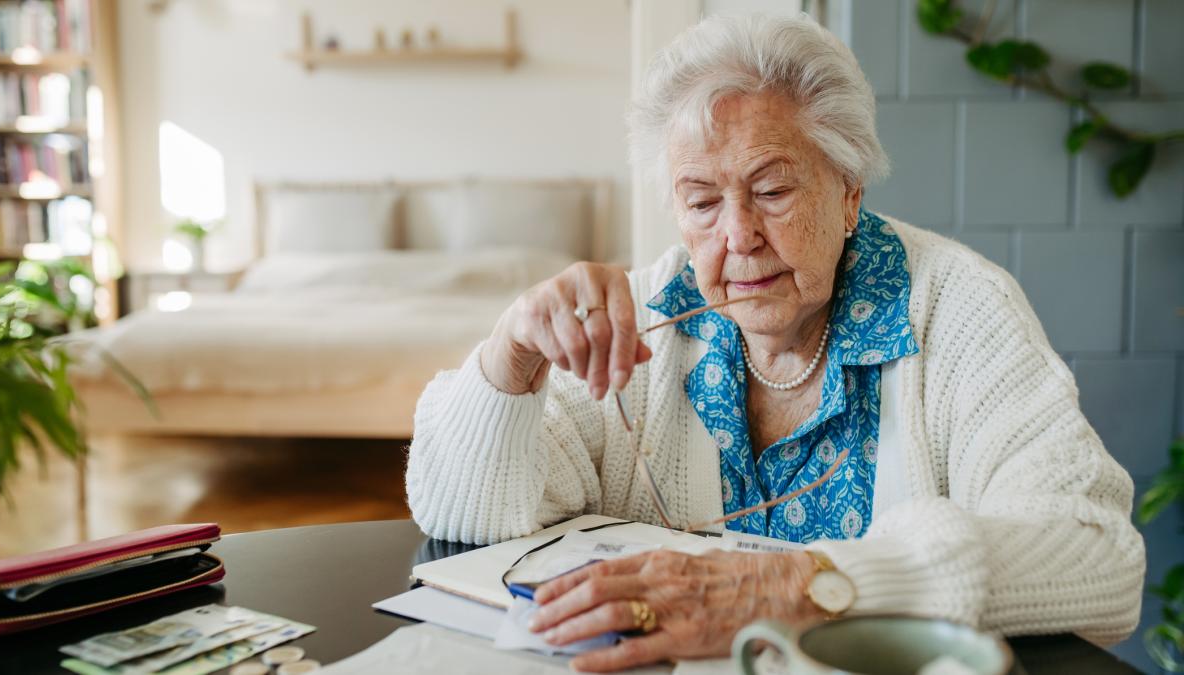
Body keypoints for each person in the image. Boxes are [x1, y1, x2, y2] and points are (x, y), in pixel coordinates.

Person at [406, 13, 1145, 673]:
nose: (737, 236)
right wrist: (510, 358)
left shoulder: (956, 308)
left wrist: (811, 584)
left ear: (848, 189)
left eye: (771, 189)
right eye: (701, 201)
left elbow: (1099, 558)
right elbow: (467, 516)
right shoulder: (645, 322)